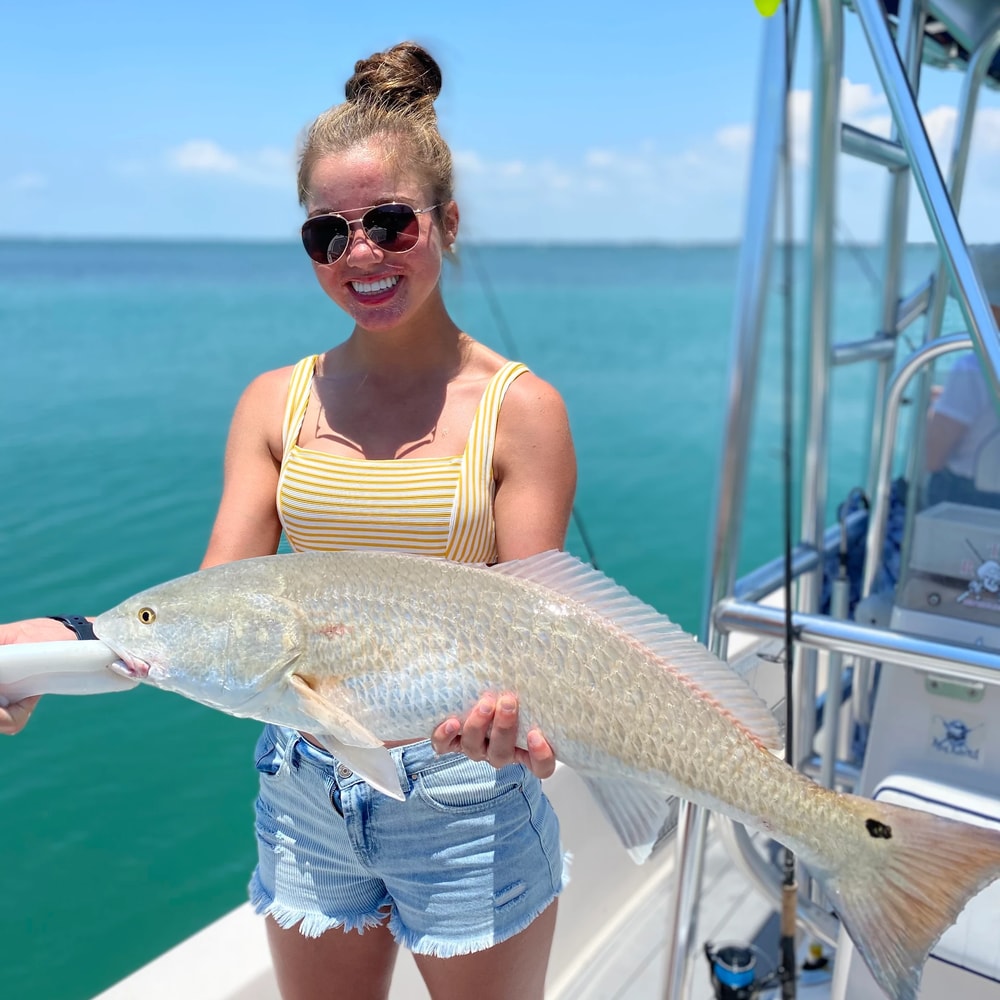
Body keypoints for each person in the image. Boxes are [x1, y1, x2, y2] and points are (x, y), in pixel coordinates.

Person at [0, 41, 577, 1000]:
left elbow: (541, 626)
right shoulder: (276, 401)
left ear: (448, 223)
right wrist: (53, 648)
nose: (363, 255)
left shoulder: (523, 410)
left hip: (466, 794)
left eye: (392, 224)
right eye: (328, 234)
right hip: (305, 782)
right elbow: (206, 612)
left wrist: (521, 727)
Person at [925, 244, 1000, 510]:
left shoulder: (972, 369)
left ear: (989, 309)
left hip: (971, 503)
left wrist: (932, 411)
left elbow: (932, 458)